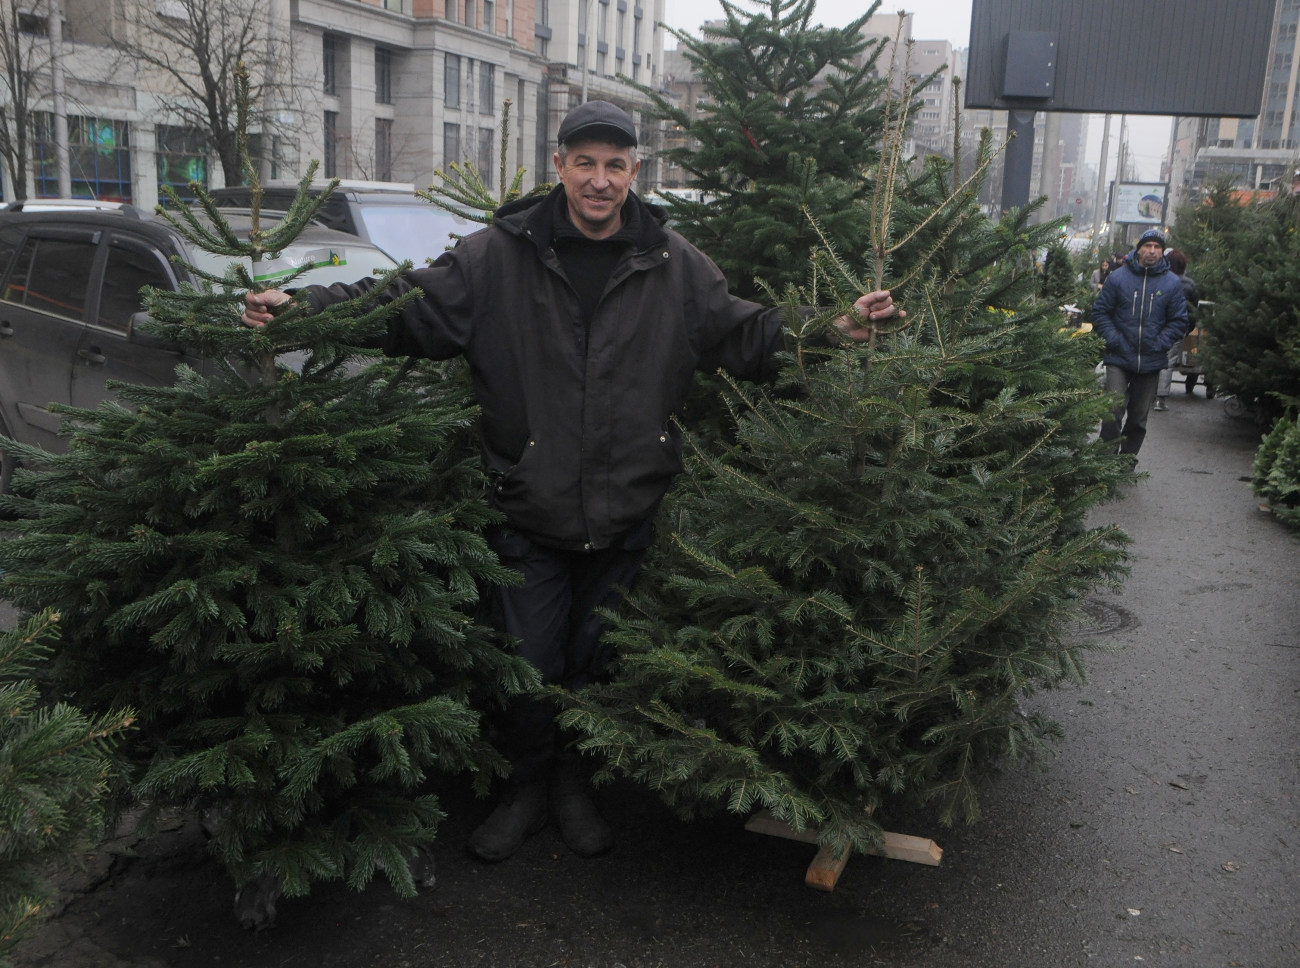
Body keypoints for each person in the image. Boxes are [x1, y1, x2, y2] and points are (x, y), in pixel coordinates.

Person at [242, 100, 901, 863]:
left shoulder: (672, 263)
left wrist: (833, 330)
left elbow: (745, 332)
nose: (599, 180)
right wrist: (308, 308)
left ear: (634, 173)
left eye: (614, 165)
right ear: (559, 166)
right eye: (584, 163)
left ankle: (574, 786)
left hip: (627, 512)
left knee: (595, 663)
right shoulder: (499, 256)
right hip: (531, 507)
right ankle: (525, 787)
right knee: (526, 665)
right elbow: (405, 307)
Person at [1090, 228, 1188, 461]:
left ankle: (1126, 461)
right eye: (1147, 246)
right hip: (1118, 356)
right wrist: (1114, 339)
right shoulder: (1118, 278)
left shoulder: (1172, 283)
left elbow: (1179, 320)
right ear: (1139, 249)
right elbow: (1101, 312)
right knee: (1113, 409)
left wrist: (1161, 342)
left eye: (1157, 247)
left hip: (1151, 359)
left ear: (1162, 252)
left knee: (1138, 416)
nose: (1152, 251)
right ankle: (1106, 460)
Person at [1154, 249, 1199, 410]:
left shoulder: (1160, 280)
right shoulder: (1190, 284)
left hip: (1158, 326)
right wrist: (1189, 328)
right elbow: (1193, 310)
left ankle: (1149, 394)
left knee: (1154, 358)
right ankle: (1161, 399)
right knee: (1169, 362)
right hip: (1178, 328)